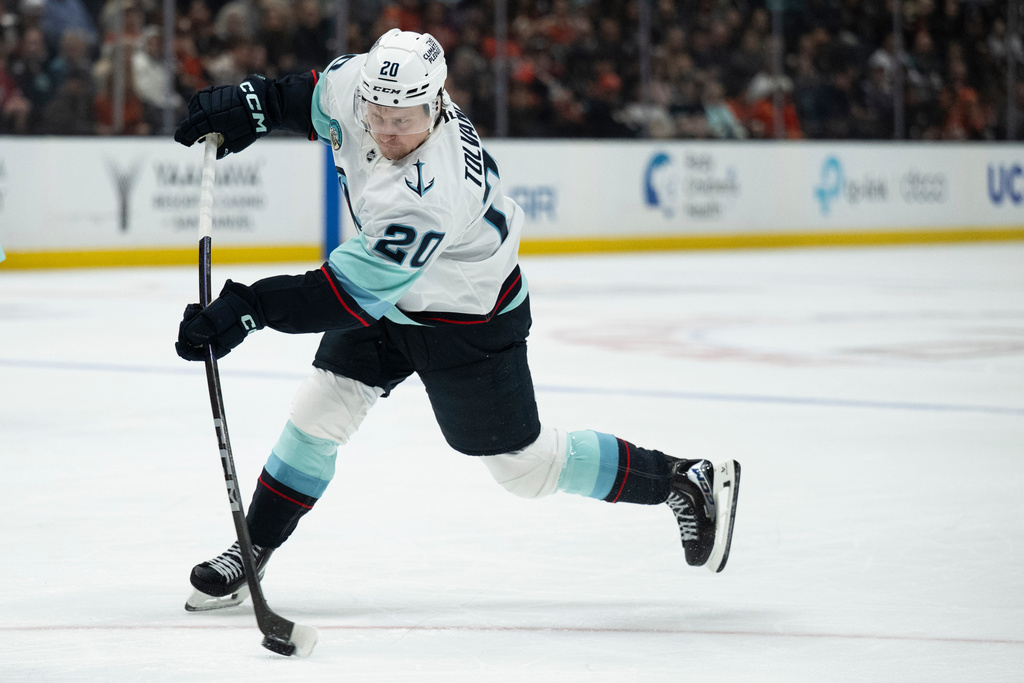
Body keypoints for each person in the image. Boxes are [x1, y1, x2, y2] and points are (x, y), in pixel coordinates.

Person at [172, 29, 741, 610]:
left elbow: (343, 296)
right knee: (319, 412)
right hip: (393, 299)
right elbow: (307, 97)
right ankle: (254, 547)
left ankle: (682, 480)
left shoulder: (430, 191)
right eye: (378, 114)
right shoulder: (363, 85)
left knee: (526, 469)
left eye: (406, 119)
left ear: (438, 104)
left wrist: (248, 308)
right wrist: (254, 105)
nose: (388, 131)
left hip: (465, 319)